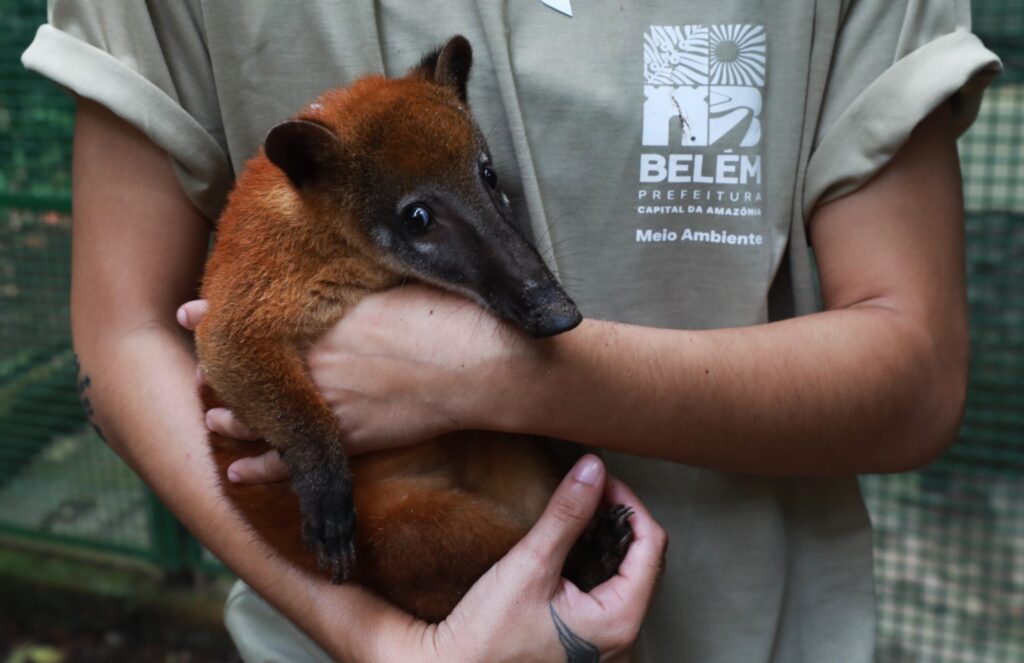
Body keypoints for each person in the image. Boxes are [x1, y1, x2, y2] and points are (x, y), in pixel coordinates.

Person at [23, 1, 1000, 661]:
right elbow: (127, 336)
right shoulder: (295, 212)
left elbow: (917, 376)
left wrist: (492, 373)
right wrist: (378, 641)